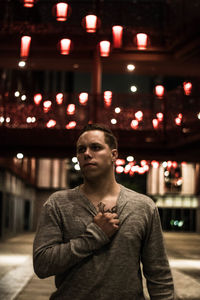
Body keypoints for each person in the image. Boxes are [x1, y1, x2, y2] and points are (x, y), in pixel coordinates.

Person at [33, 123, 175, 300]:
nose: (86, 153)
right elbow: (42, 264)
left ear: (113, 154)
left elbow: (158, 274)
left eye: (96, 147)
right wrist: (93, 237)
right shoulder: (58, 203)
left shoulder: (143, 206)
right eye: (81, 149)